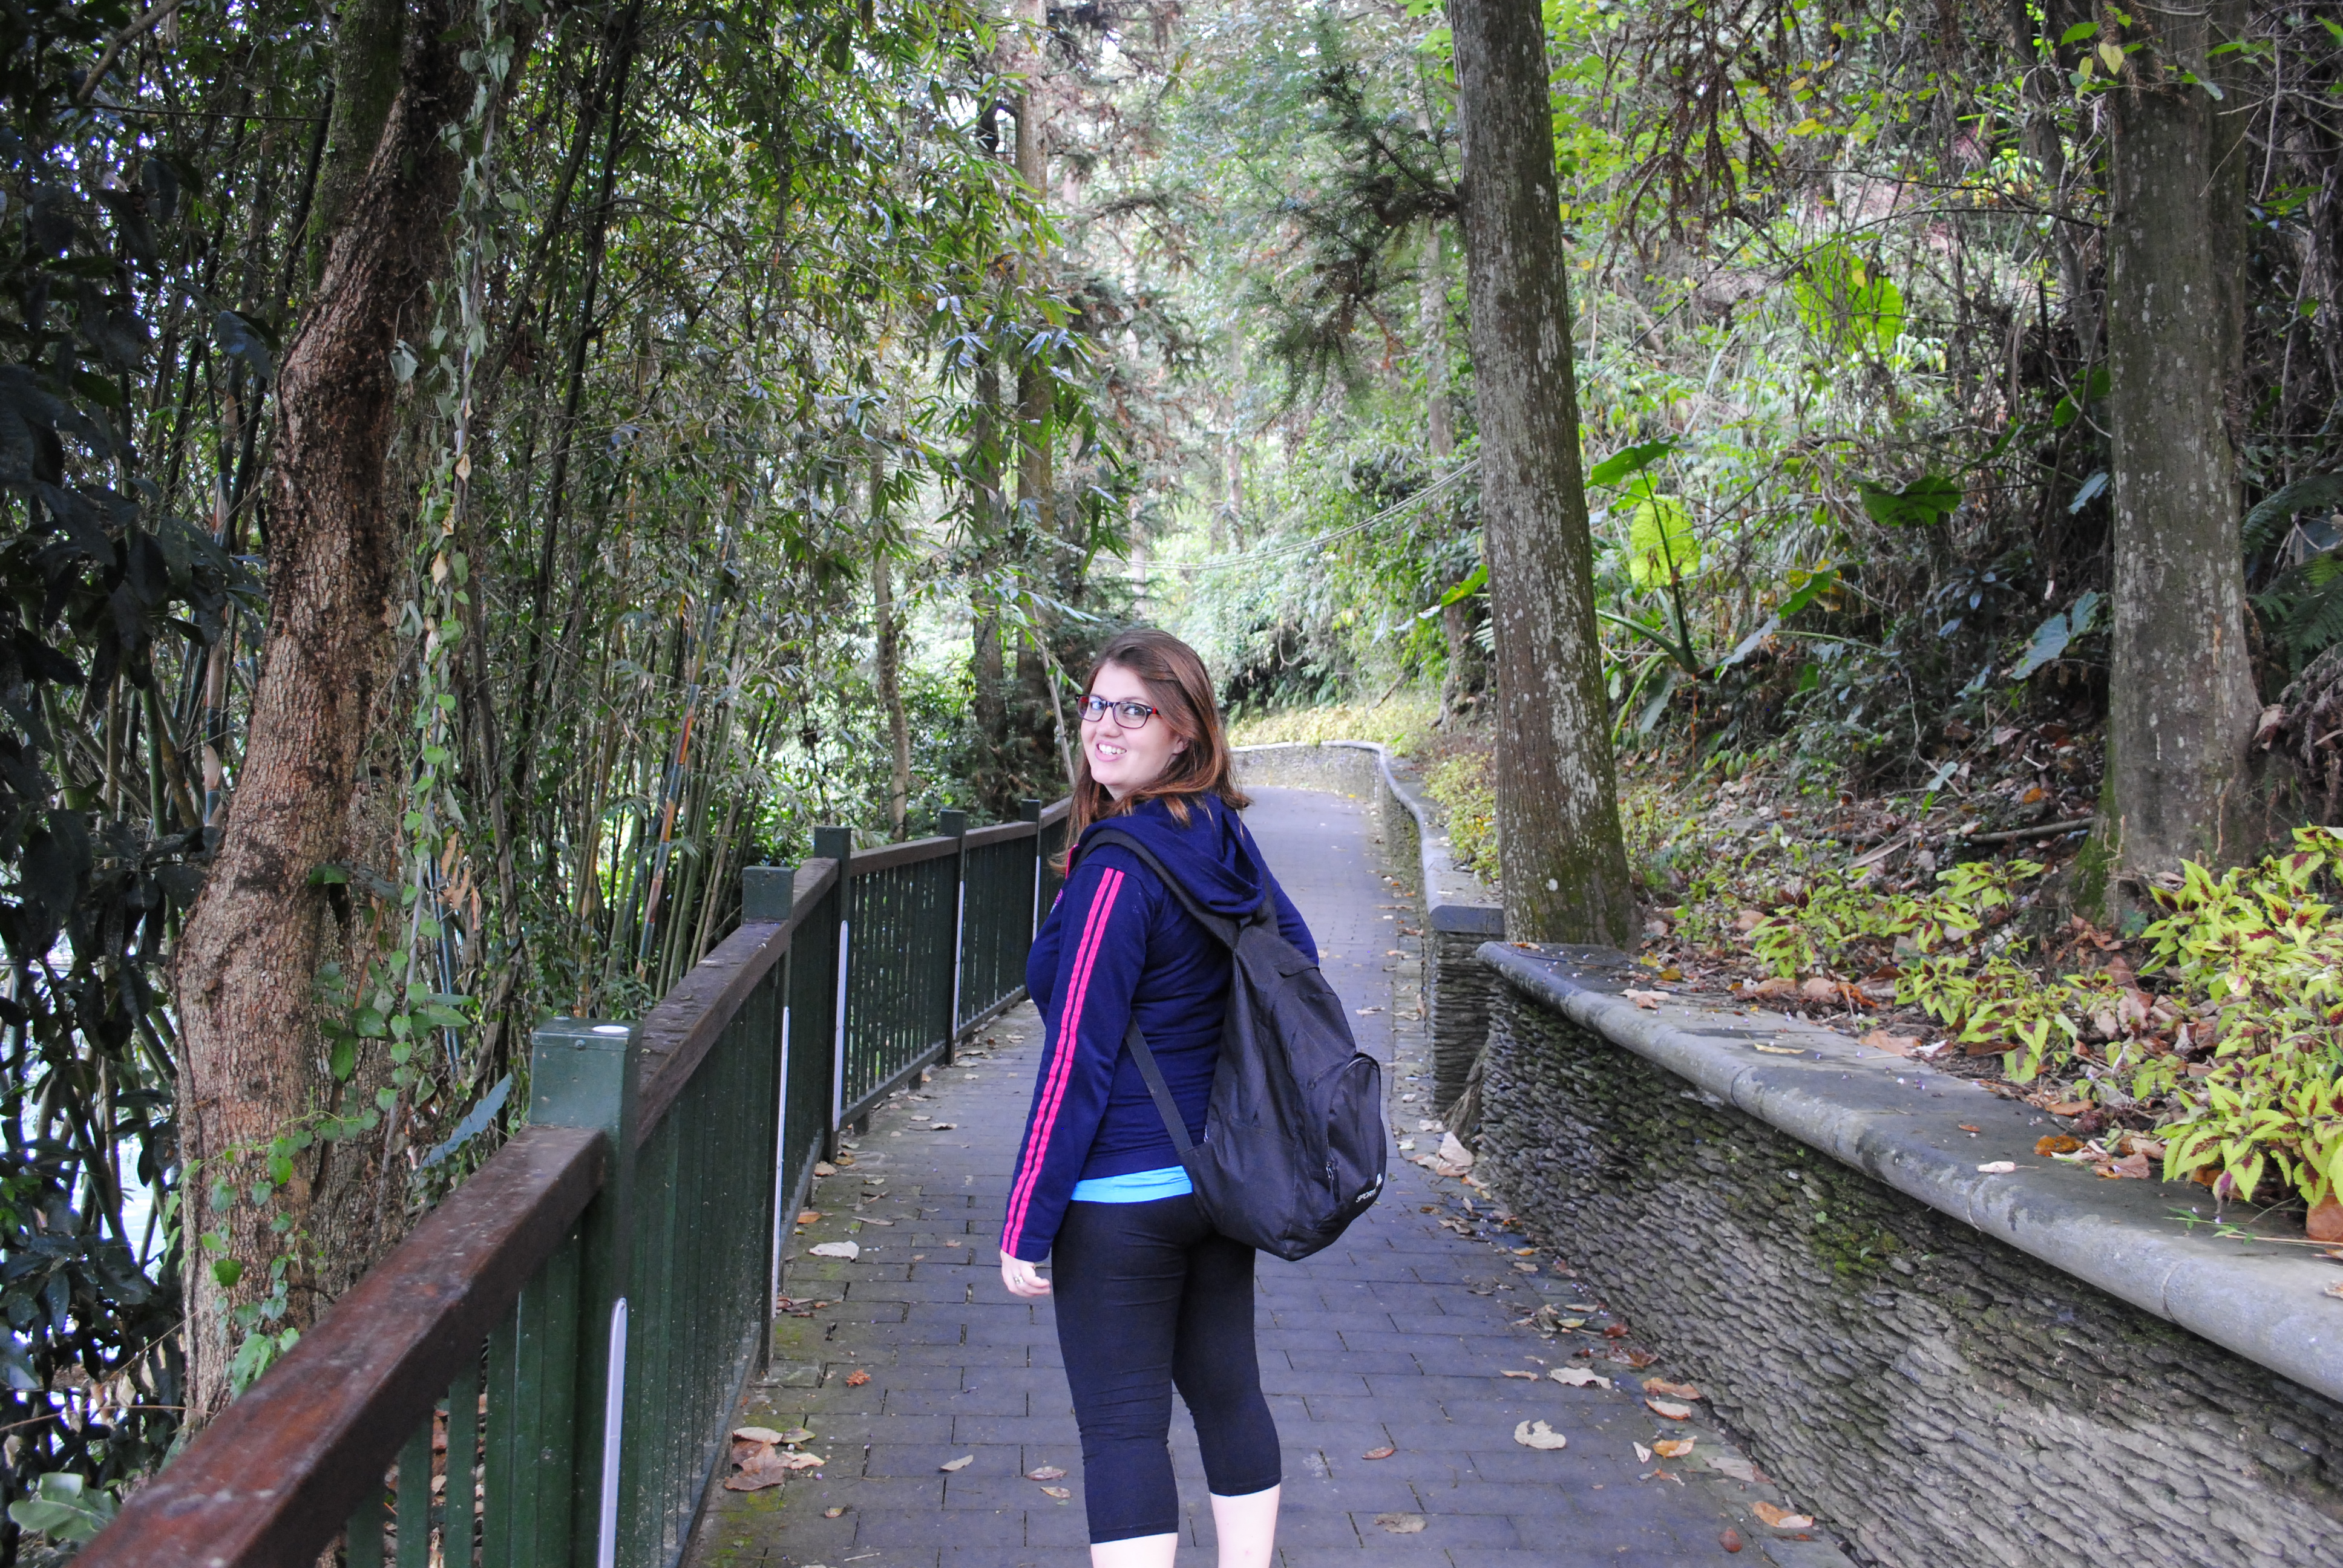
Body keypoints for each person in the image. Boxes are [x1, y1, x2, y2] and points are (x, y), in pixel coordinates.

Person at [998, 628, 1316, 1568]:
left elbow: (1077, 1060)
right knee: (1229, 1395)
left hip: (1120, 1203)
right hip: (1216, 1184)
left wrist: (1027, 1220)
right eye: (1097, 704)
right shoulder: (1218, 834)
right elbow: (1295, 959)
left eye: (1133, 710)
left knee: (1124, 1430)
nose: (1105, 726)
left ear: (1183, 731)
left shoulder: (1116, 869)